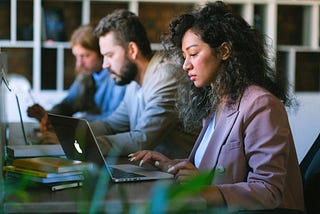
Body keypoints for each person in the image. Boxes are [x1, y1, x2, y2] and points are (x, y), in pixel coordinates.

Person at [128, 1, 304, 213]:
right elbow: (213, 166)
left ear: (224, 51)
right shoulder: (217, 102)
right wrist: (172, 166)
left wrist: (204, 190)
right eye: (184, 57)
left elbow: (268, 190)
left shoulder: (261, 105)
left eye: (193, 54)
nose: (185, 65)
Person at [89, 9, 198, 159]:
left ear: (132, 50)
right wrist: (71, 132)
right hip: (153, 173)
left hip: (180, 178)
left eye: (110, 55)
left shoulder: (167, 76)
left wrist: (86, 143)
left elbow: (142, 140)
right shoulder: (134, 83)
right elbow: (110, 125)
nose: (105, 65)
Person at [27, 24, 126, 126]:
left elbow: (114, 119)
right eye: (77, 56)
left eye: (85, 56)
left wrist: (75, 122)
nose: (79, 63)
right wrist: (49, 116)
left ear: (101, 53)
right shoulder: (86, 75)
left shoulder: (117, 77)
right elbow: (69, 104)